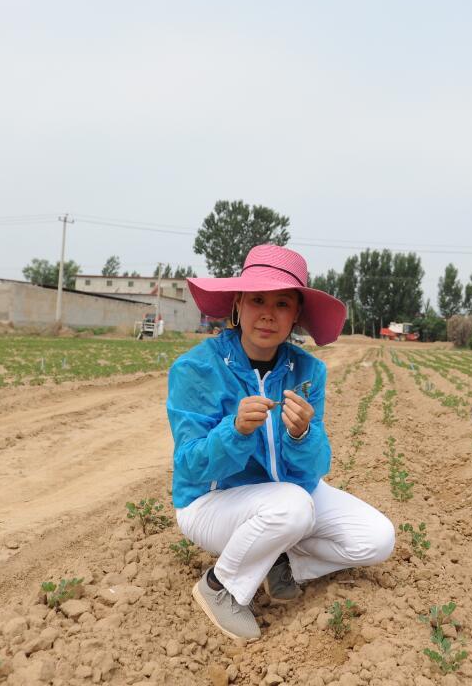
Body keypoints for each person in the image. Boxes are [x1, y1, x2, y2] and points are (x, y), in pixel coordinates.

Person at [167, 244, 395, 641]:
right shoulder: (196, 368)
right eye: (257, 300)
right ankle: (222, 587)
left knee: (376, 538)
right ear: (238, 303)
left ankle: (281, 560)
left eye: (283, 303)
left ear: (297, 316)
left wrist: (302, 434)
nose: (268, 314)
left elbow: (315, 468)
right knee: (291, 507)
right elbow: (189, 465)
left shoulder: (307, 370)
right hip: (211, 502)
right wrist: (234, 431)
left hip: (289, 494)